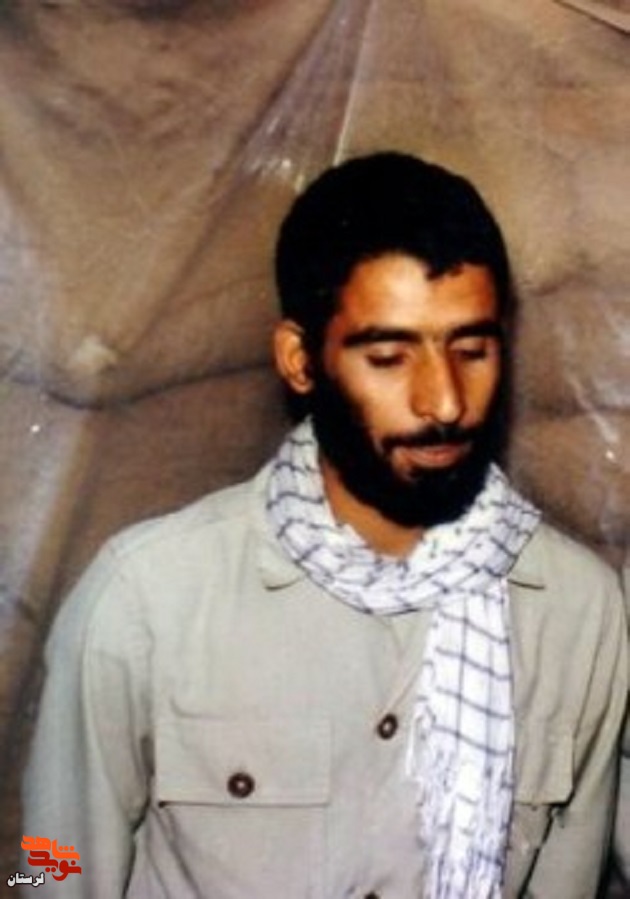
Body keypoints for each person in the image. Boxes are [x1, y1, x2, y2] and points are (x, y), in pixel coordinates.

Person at [23, 152, 627, 898]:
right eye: (389, 356)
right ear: (300, 360)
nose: (444, 400)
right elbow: (49, 861)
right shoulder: (146, 598)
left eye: (472, 350)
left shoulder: (578, 613)